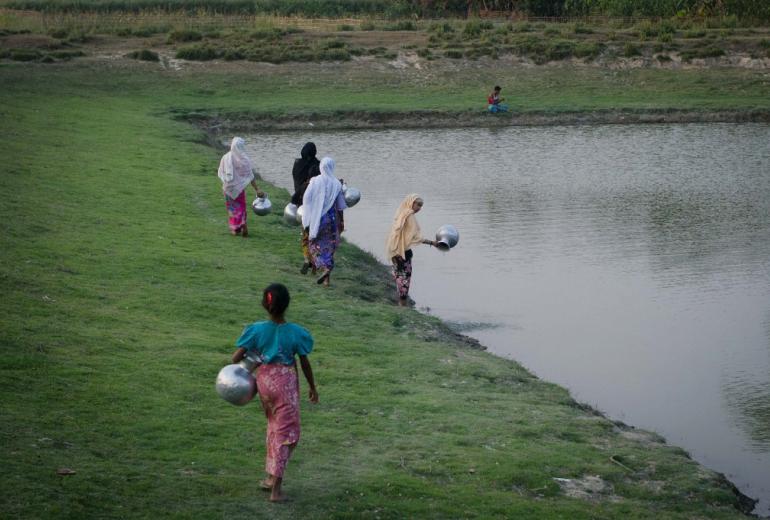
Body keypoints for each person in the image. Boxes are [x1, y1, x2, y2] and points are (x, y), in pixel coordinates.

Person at [231, 283, 318, 503]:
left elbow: (235, 358)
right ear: (286, 305)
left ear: (265, 304)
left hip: (264, 383)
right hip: (284, 385)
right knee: (287, 433)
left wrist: (256, 353)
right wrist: (313, 387)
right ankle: (276, 492)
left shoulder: (257, 330)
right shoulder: (296, 333)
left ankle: (270, 478)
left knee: (273, 426)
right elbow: (305, 363)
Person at [301, 156, 347, 287]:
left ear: (321, 167)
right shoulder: (337, 184)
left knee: (314, 245)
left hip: (318, 219)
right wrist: (342, 222)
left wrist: (307, 216)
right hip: (332, 220)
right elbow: (340, 205)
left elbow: (307, 199)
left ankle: (324, 268)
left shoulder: (315, 181)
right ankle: (327, 279)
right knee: (329, 247)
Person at [385, 194, 438, 306]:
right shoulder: (409, 216)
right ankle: (402, 307)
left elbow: (397, 233)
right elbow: (415, 237)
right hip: (403, 253)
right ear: (411, 203)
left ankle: (401, 305)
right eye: (418, 204)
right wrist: (432, 243)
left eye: (421, 206)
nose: (419, 208)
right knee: (404, 281)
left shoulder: (402, 213)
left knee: (400, 279)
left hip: (395, 251)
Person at [217, 137, 264, 237]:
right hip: (239, 190)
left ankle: (235, 228)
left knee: (232, 209)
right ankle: (243, 223)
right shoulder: (245, 160)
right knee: (241, 207)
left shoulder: (226, 157)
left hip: (228, 188)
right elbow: (250, 175)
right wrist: (257, 189)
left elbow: (221, 172)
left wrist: (227, 181)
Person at [290, 142, 321, 275]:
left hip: (301, 202)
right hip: (315, 205)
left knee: (305, 232)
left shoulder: (297, 165)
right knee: (315, 232)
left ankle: (307, 258)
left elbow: (297, 183)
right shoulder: (318, 165)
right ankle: (314, 260)